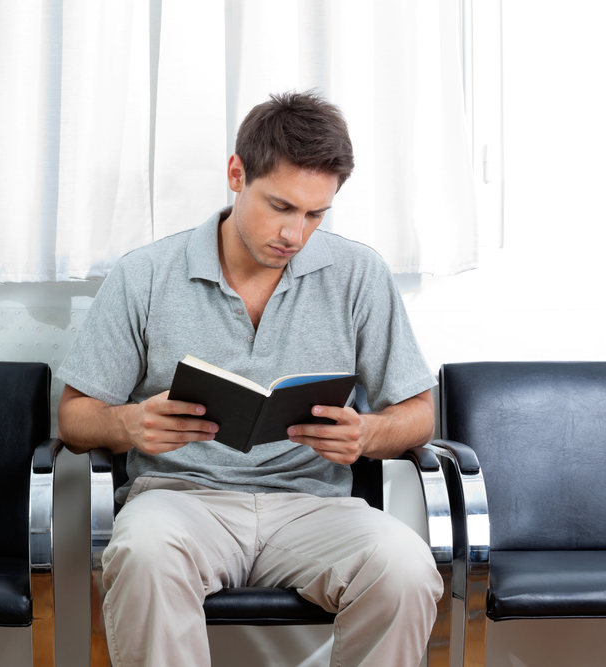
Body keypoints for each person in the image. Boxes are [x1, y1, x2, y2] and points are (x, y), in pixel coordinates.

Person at [56, 91, 442, 667]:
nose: (296, 234)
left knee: (408, 568)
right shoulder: (145, 275)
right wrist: (129, 423)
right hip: (180, 501)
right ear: (237, 174)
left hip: (314, 508)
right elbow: (73, 415)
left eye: (316, 214)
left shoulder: (358, 274)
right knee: (142, 553)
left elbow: (418, 411)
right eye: (281, 206)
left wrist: (367, 435)